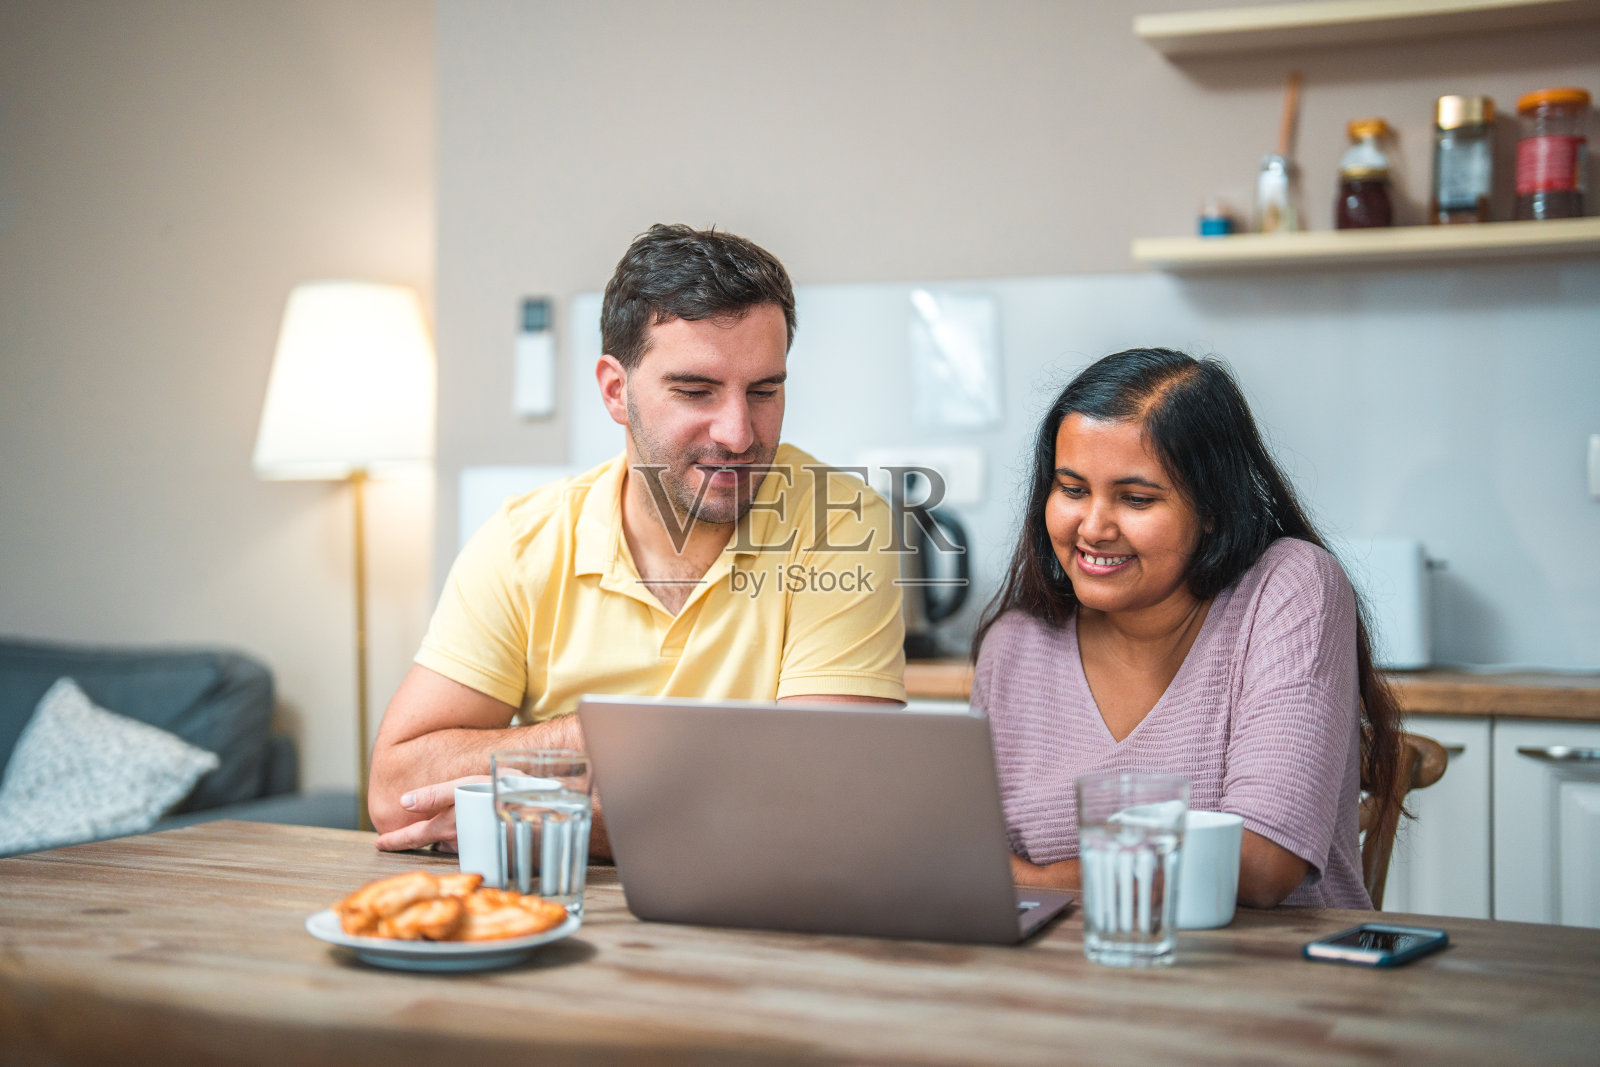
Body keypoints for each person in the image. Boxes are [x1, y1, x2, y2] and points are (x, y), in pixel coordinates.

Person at [369, 224, 907, 853]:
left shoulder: (842, 523)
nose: (738, 433)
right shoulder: (523, 543)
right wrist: (593, 738)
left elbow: (825, 801)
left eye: (764, 391)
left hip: (759, 907)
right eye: (696, 391)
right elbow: (396, 793)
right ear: (616, 391)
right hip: (560, 909)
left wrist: (542, 809)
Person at [971, 347, 1401, 909]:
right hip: (1063, 965)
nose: (1093, 527)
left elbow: (1261, 865)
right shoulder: (1014, 645)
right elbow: (969, 862)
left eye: (1136, 499)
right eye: (1072, 490)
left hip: (1273, 963)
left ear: (1214, 508)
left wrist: (1037, 879)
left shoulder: (1289, 587)